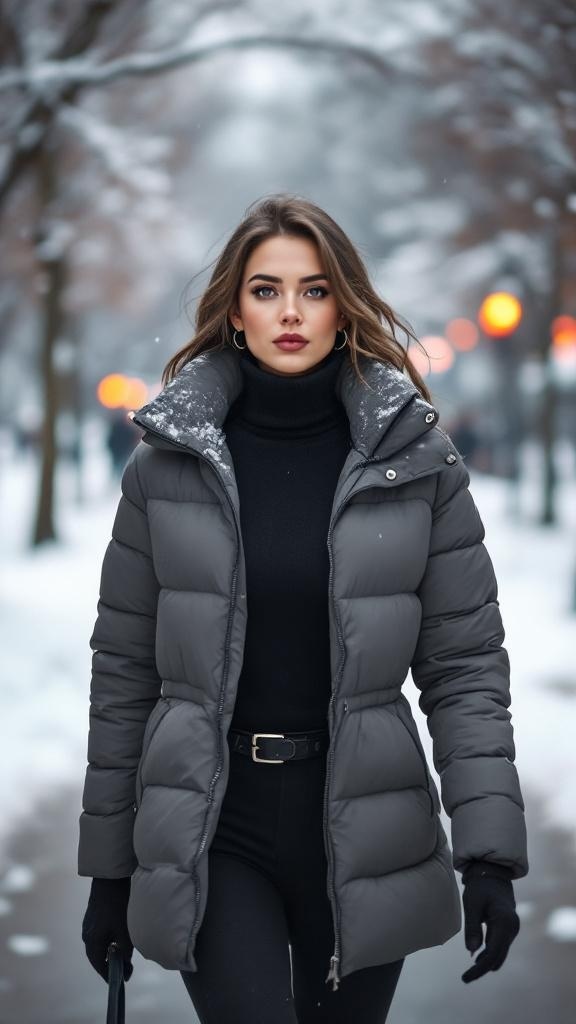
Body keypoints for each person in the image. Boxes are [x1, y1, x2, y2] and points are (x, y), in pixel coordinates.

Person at [79, 194, 528, 1024]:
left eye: (315, 290)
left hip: (365, 828)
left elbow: (464, 667)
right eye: (266, 289)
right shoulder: (166, 468)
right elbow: (126, 674)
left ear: (343, 304)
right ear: (235, 309)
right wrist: (110, 871)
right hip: (215, 830)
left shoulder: (416, 462)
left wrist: (490, 855)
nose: (291, 311)